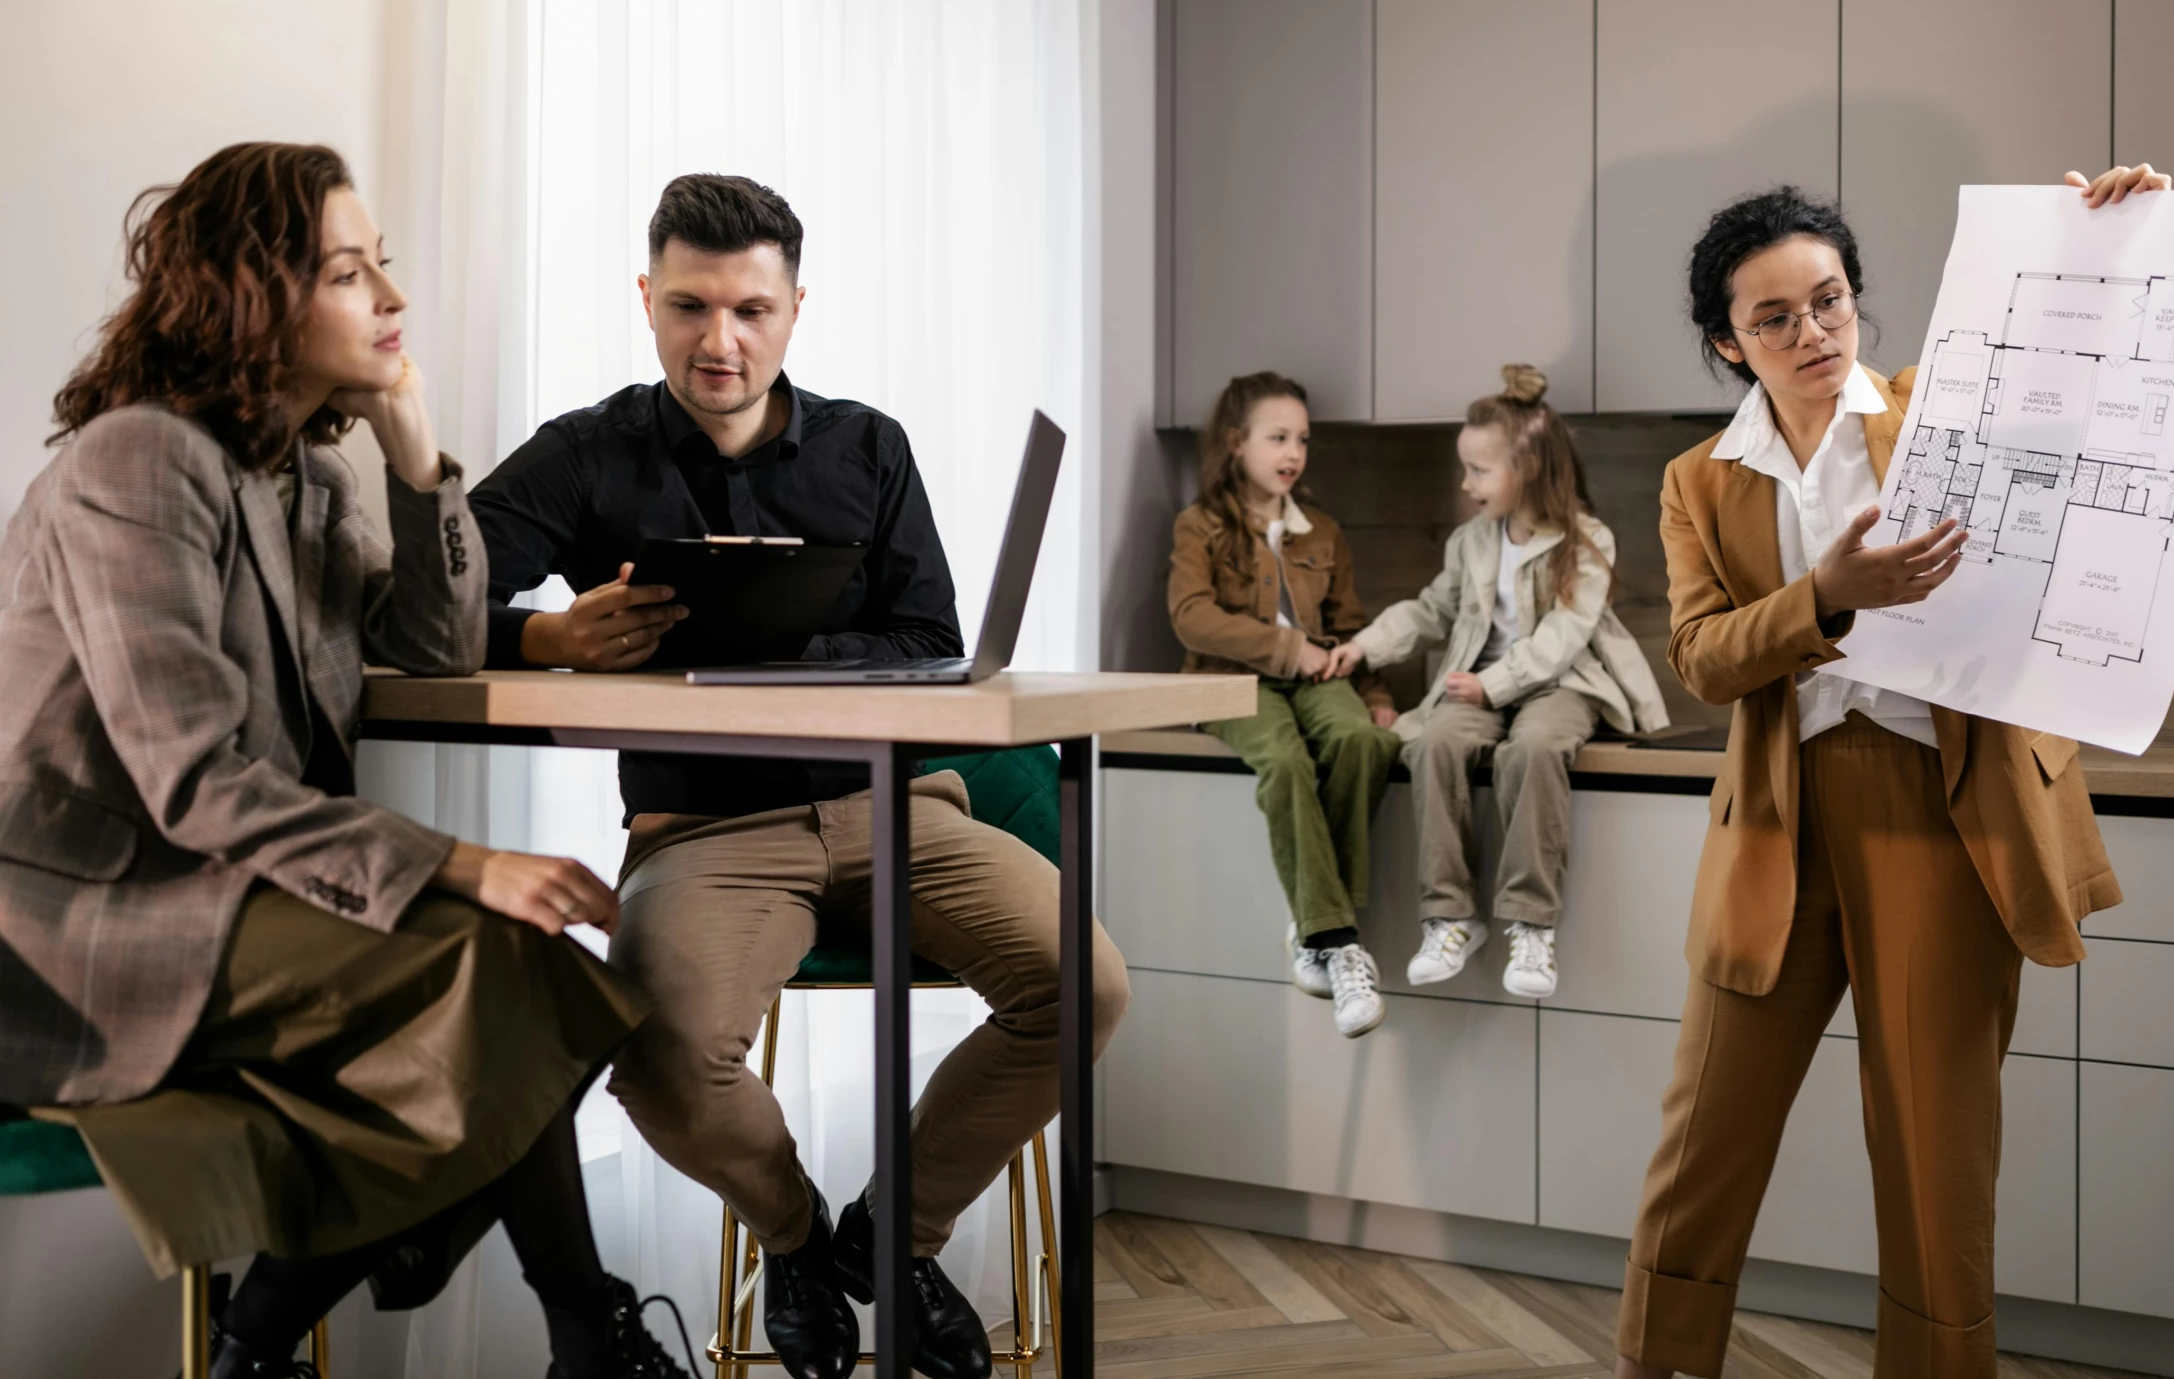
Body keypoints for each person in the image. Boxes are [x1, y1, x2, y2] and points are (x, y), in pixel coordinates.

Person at [0, 142, 684, 1379]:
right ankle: (546, 1320)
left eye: (383, 268)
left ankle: (308, 1332)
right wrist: (464, 864)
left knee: (529, 966)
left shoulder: (301, 476)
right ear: (253, 296)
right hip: (91, 927)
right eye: (349, 273)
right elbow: (194, 780)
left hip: (223, 893)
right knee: (513, 967)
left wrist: (414, 456)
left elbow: (426, 642)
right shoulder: (137, 462)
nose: (391, 299)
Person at [468, 172, 1131, 1379]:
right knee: (662, 1066)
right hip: (705, 834)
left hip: (899, 807)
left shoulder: (867, 446)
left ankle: (893, 1240)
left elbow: (931, 636)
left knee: (1083, 984)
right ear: (647, 299)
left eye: (750, 311)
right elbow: (425, 602)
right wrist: (545, 637)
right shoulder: (586, 454)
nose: (718, 341)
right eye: (688, 307)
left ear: (794, 308)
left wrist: (762, 647)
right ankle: (798, 1233)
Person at [1611, 163, 2168, 1379]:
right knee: (1701, 1144)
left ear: (1855, 298)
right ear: (1726, 343)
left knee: (1934, 1155)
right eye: (1774, 317)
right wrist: (1823, 601)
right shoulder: (1698, 481)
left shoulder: (1943, 408)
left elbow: (2086, 376)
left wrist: (2107, 239)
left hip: (1938, 813)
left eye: (1829, 300)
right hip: (1777, 821)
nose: (1810, 332)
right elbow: (1702, 659)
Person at [1332, 365, 1670, 1000]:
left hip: (1561, 684)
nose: (1467, 484)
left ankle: (1530, 921)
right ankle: (1450, 914)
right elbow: (1429, 611)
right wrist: (1363, 647)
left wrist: (1495, 685)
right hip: (1477, 684)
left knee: (1535, 749)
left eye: (1479, 471)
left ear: (1530, 469)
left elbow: (1564, 637)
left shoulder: (1588, 541)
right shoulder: (1471, 542)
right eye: (1466, 470)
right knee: (1432, 744)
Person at [1166, 372, 1400, 1038]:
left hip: (1320, 675)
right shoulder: (1200, 524)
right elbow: (1190, 617)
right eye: (1278, 437)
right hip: (1227, 682)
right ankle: (1340, 940)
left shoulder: (1321, 529)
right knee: (1286, 762)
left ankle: (1313, 926)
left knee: (1366, 742)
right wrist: (1284, 647)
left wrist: (1376, 692)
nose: (1293, 451)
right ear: (1237, 442)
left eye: (1301, 438)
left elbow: (1350, 621)